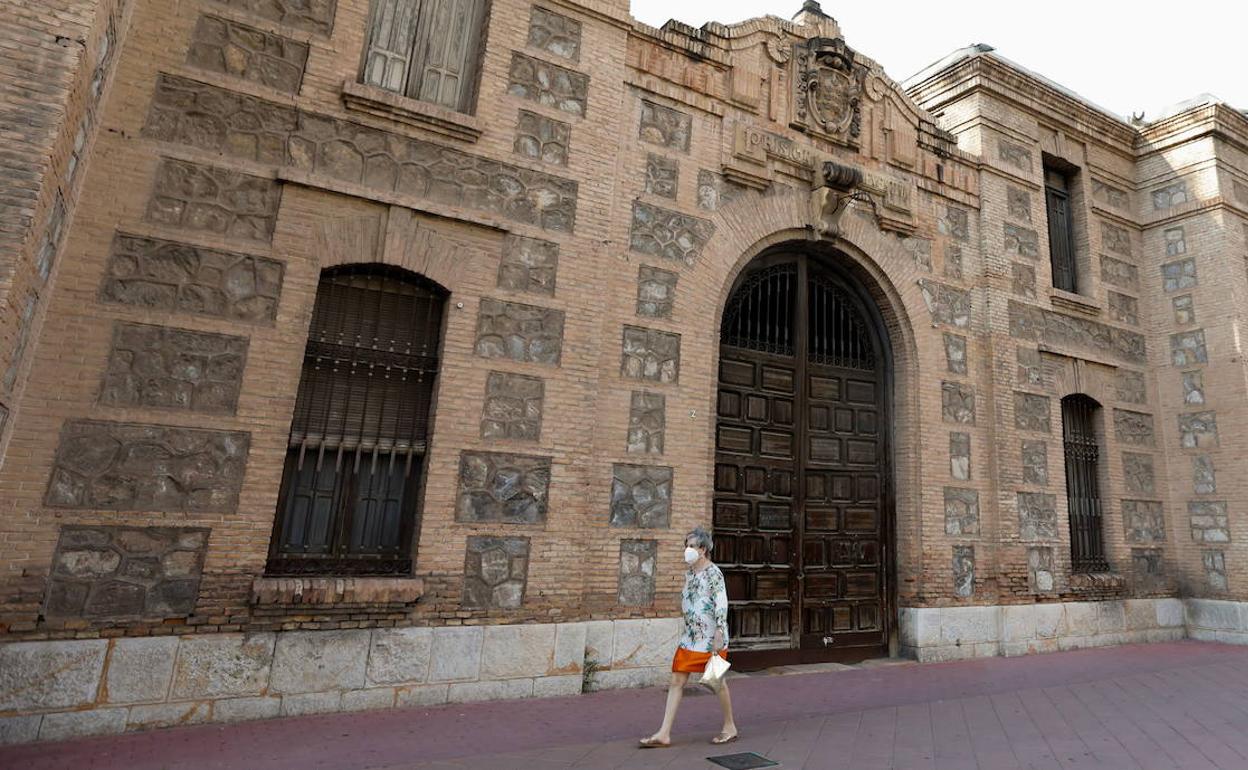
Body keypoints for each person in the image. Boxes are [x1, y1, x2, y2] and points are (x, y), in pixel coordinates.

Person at [639, 526, 739, 748]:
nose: (687, 549)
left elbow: (721, 603)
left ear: (703, 549)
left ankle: (729, 726)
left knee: (716, 682)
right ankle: (663, 734)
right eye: (686, 545)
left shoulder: (713, 573)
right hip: (691, 637)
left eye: (691, 546)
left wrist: (720, 633)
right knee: (676, 680)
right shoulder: (690, 574)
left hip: (712, 637)